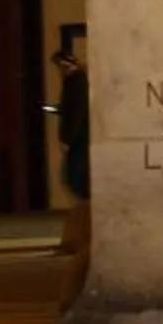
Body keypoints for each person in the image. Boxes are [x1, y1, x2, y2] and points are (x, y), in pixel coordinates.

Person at [50, 31, 92, 203]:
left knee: (73, 175)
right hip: (79, 136)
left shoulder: (76, 81)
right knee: (73, 175)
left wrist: (67, 139)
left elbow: (76, 111)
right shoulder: (76, 80)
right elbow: (71, 109)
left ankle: (86, 203)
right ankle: (85, 202)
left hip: (79, 137)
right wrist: (55, 109)